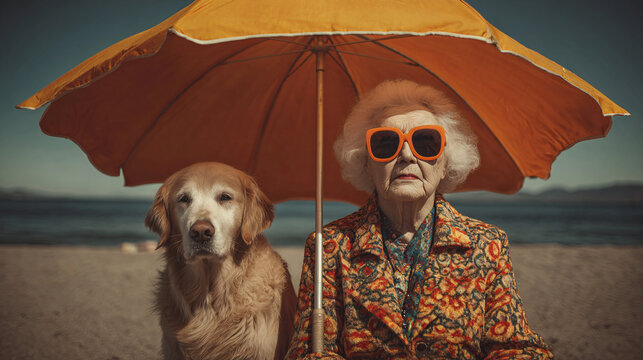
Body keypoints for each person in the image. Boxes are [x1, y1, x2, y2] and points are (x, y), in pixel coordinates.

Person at [285, 80, 553, 359]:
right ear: (365, 161)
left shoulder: (487, 245)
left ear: (447, 161)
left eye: (425, 142)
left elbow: (514, 347)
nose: (406, 155)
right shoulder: (328, 246)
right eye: (386, 143)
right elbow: (308, 351)